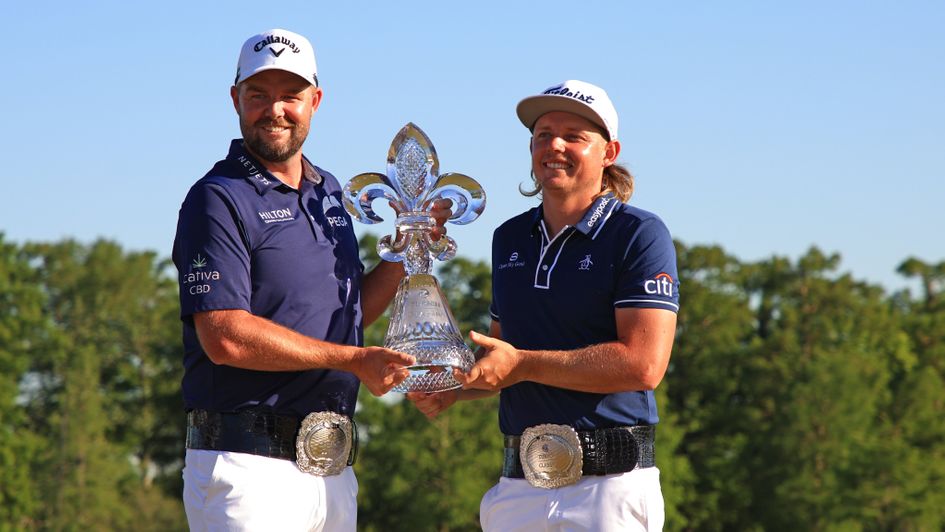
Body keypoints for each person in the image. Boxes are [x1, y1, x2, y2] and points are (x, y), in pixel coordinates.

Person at [172, 29, 450, 531]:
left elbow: (354, 310)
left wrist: (412, 241)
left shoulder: (330, 193)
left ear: (315, 102)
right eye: (258, 95)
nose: (274, 110)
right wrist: (355, 360)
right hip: (248, 465)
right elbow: (225, 337)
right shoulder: (217, 198)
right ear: (236, 99)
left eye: (290, 96)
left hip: (332, 469)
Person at [408, 80, 679, 531]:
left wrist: (522, 364)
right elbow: (503, 360)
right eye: (543, 134)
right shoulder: (509, 237)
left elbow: (643, 365)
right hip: (517, 488)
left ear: (609, 152)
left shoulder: (639, 233)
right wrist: (453, 386)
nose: (554, 145)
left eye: (574, 135)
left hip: (608, 488)